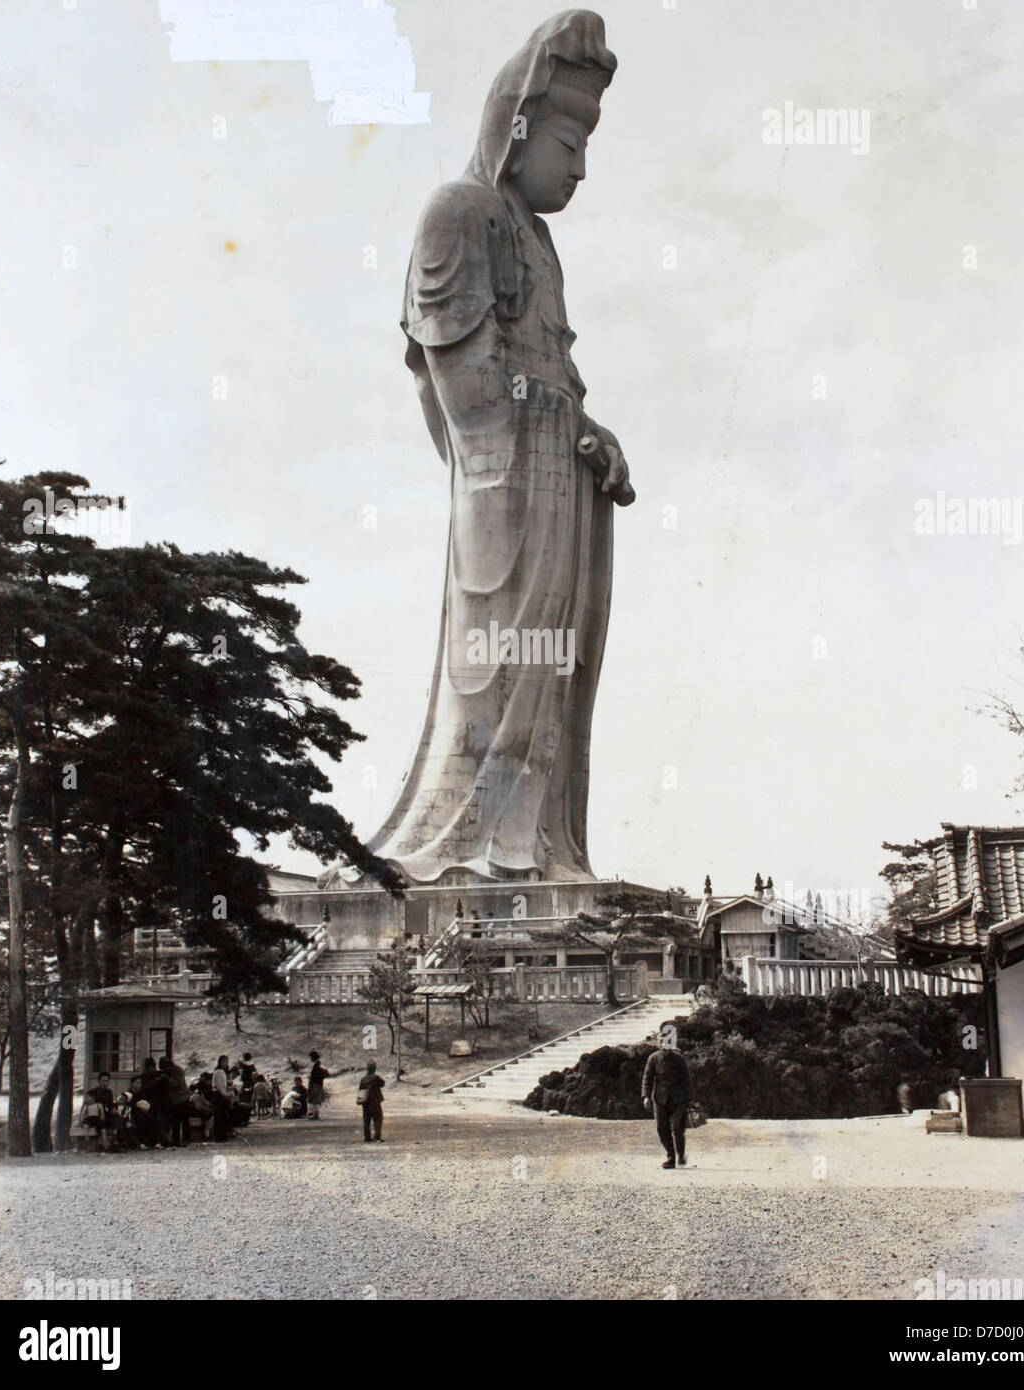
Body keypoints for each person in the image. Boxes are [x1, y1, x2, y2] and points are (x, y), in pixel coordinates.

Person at [319, 11, 630, 889]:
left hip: (556, 486)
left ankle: (540, 847)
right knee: (497, 663)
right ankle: (470, 844)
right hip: (505, 487)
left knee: (554, 668)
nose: (578, 165)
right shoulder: (460, 212)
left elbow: (558, 373)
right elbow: (468, 390)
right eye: (568, 141)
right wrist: (554, 425)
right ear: (518, 128)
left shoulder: (537, 238)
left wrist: (593, 438)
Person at [641, 1035, 695, 1169]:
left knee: (677, 1127)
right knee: (661, 1128)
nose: (666, 1046)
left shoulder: (679, 1059)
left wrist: (690, 1100)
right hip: (659, 1098)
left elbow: (687, 1080)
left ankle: (680, 1155)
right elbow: (647, 1079)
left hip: (679, 1099)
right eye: (663, 1043)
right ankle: (671, 1157)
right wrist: (646, 1096)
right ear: (659, 1044)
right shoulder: (653, 1059)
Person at [79, 1073, 118, 1151]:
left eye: (107, 1081)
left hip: (105, 1113)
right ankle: (101, 1144)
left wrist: (113, 1109)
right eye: (103, 1081)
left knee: (117, 1118)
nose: (105, 1083)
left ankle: (115, 1141)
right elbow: (85, 1105)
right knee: (101, 1124)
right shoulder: (93, 1092)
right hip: (95, 1114)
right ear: (99, 1081)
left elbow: (110, 1104)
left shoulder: (109, 1092)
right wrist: (81, 1119)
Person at [160, 1055, 191, 1147]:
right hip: (174, 1100)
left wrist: (167, 1079)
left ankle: (186, 1139)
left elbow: (179, 1084)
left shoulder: (178, 1071)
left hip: (182, 1098)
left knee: (184, 1120)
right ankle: (176, 1140)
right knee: (175, 1121)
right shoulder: (168, 1072)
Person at [356, 1060, 386, 1143]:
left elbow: (361, 1090)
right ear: (374, 1069)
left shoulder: (363, 1079)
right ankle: (377, 1136)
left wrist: (360, 1100)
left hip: (365, 1103)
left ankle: (367, 1137)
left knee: (366, 1120)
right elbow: (383, 1084)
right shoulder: (376, 1077)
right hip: (375, 1102)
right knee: (378, 1119)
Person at [211, 1054, 234, 1141]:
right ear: (221, 1062)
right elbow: (220, 1086)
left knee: (221, 1117)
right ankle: (220, 1136)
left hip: (219, 1095)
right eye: (225, 1062)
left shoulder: (221, 1072)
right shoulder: (219, 1072)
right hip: (219, 1096)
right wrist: (226, 1095)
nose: (227, 1064)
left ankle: (221, 1135)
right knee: (220, 1117)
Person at [306, 1051, 329, 1120]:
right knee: (314, 1099)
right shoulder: (318, 1065)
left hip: (315, 1084)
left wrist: (311, 1078)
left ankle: (315, 1114)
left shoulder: (317, 1065)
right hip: (317, 1084)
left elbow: (316, 1075)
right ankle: (315, 1114)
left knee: (314, 1099)